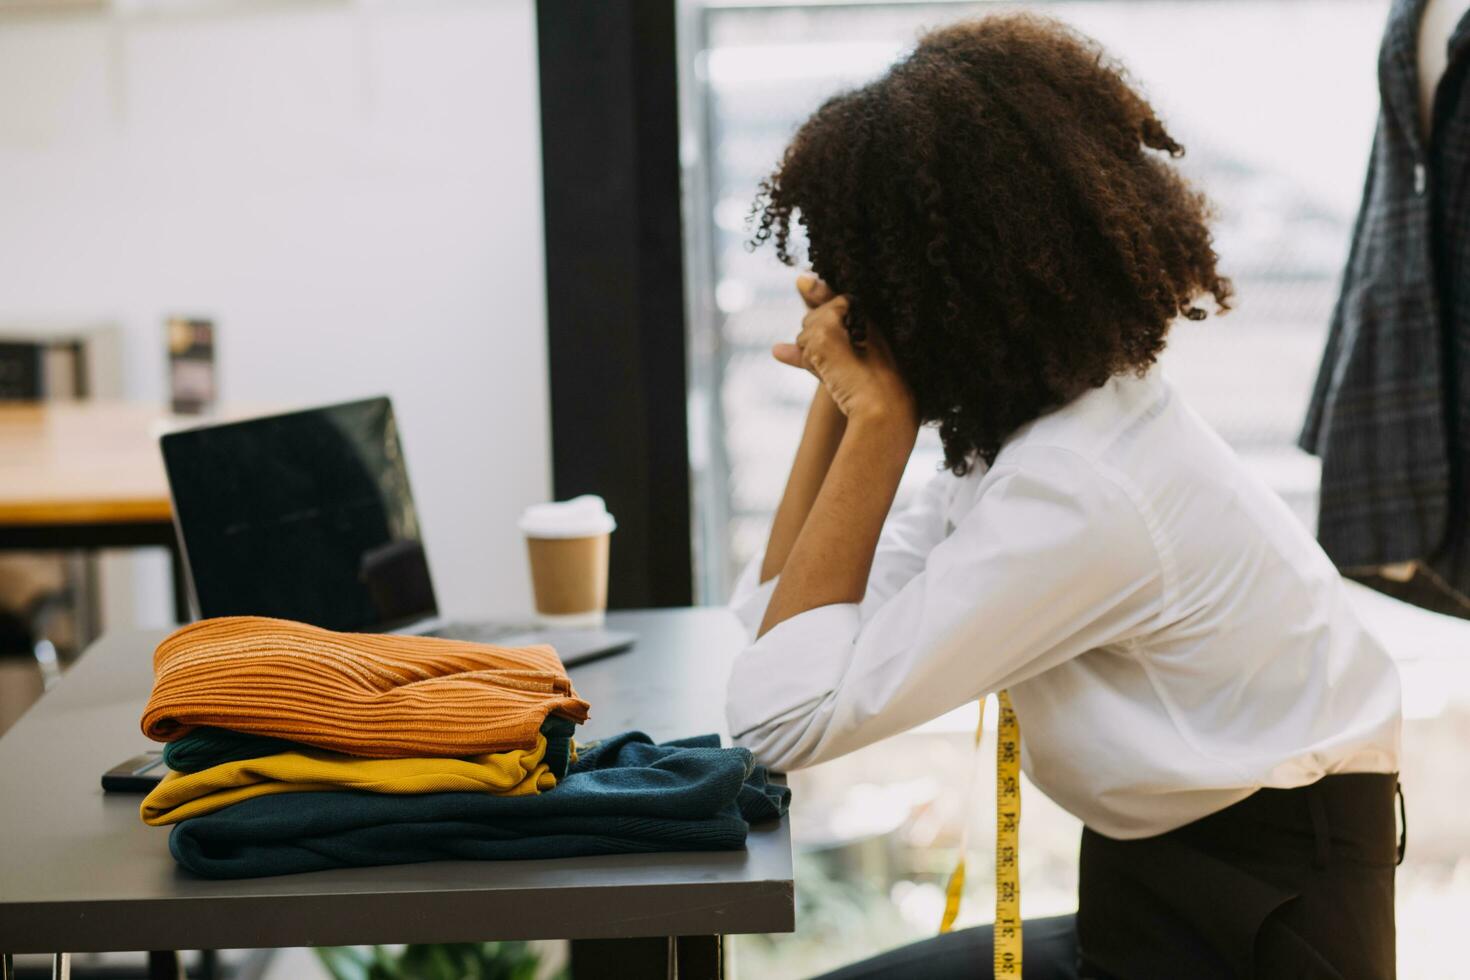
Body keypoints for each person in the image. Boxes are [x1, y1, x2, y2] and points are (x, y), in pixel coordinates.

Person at [723, 14, 1403, 979]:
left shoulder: (1083, 490)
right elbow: (775, 639)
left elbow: (779, 722)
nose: (850, 303)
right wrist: (837, 408)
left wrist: (878, 420)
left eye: (872, 280)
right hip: (1152, 890)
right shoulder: (1033, 443)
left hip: (1263, 923)